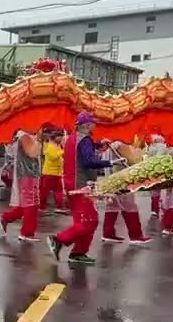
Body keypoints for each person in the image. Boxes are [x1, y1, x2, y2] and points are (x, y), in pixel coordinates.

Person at [48, 112, 120, 265]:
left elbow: (83, 153)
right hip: (80, 185)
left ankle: (78, 252)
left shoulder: (73, 138)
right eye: (93, 123)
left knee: (89, 220)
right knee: (87, 221)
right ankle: (58, 240)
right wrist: (111, 163)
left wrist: (98, 145)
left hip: (72, 183)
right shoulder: (85, 139)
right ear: (86, 125)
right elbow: (89, 161)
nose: (94, 126)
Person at [101, 141, 151, 245]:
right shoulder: (121, 145)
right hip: (122, 180)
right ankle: (136, 236)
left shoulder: (109, 144)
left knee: (112, 206)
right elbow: (133, 161)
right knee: (130, 207)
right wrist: (140, 152)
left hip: (110, 178)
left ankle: (108, 233)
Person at [0, 129, 42, 241]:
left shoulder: (28, 135)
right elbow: (32, 153)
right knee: (31, 203)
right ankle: (26, 232)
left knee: (27, 203)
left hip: (31, 174)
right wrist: (39, 138)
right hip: (27, 174)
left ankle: (5, 217)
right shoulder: (25, 136)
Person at [39, 126, 66, 212]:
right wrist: (63, 151)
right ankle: (41, 207)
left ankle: (59, 206)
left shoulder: (58, 146)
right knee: (44, 191)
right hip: (49, 173)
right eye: (60, 137)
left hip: (57, 173)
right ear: (55, 137)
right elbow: (53, 157)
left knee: (58, 191)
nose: (61, 138)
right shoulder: (49, 146)